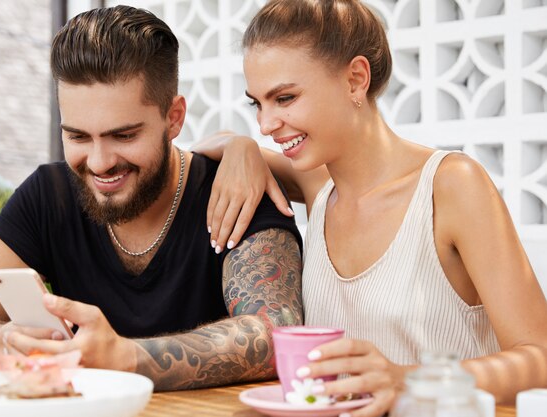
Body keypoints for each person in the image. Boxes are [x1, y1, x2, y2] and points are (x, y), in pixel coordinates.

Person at [0, 5, 304, 391]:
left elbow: (277, 332)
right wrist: (6, 341)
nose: (99, 163)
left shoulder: (237, 190)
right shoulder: (50, 195)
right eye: (78, 136)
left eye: (123, 136)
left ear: (174, 118)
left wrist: (127, 358)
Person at [194, 0, 547, 414]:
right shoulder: (318, 187)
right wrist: (242, 148)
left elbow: (539, 357)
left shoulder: (452, 186)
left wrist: (408, 381)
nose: (266, 124)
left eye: (285, 98)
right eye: (257, 103)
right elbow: (200, 148)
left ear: (356, 79)